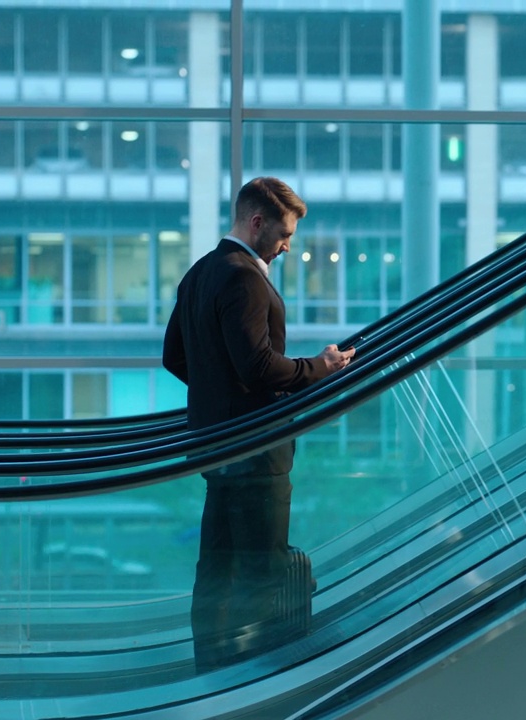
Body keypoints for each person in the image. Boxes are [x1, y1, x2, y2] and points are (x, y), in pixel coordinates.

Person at [162, 177, 355, 672]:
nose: (288, 243)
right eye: (285, 232)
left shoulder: (200, 272)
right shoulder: (245, 276)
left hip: (217, 448)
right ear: (257, 222)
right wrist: (320, 367)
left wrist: (218, 397)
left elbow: (174, 357)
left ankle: (212, 670)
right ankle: (255, 680)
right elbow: (259, 368)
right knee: (261, 573)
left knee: (216, 571)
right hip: (255, 452)